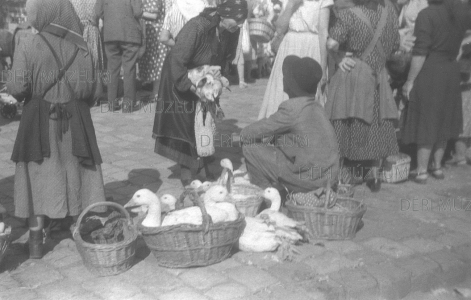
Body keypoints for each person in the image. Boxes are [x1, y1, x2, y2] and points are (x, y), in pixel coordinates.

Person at [7, 0, 106, 259]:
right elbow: (93, 91)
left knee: (38, 175)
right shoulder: (83, 48)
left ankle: (36, 244)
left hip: (38, 120)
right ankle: (79, 226)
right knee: (74, 170)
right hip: (76, 120)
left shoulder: (28, 44)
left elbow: (17, 88)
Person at [152, 0, 247, 186]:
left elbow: (226, 57)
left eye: (242, 20)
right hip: (179, 74)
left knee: (204, 121)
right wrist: (190, 85)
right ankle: (187, 170)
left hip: (206, 78)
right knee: (185, 123)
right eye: (237, 20)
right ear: (224, 15)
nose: (240, 24)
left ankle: (203, 162)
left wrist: (219, 77)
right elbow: (178, 58)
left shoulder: (231, 30)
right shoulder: (197, 27)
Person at [325, 0, 400, 192]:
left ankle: (344, 176)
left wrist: (339, 56)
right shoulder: (390, 13)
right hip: (379, 75)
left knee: (344, 123)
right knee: (376, 122)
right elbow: (395, 47)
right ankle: (374, 175)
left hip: (355, 72)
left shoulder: (349, 14)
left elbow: (332, 43)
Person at [241, 56, 339, 193]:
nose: (283, 79)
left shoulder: (292, 109)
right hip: (328, 177)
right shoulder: (316, 106)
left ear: (291, 84)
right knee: (279, 141)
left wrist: (236, 138)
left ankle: (267, 197)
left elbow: (248, 134)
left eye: (286, 77)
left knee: (250, 147)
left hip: (310, 180)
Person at [402, 0, 471, 183]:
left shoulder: (426, 15)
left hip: (431, 69)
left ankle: (422, 171)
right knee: (443, 119)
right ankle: (437, 167)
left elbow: (420, 52)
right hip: (450, 70)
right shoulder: (460, 14)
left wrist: (409, 81)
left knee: (427, 120)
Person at [258, 0, 332, 119]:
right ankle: (278, 127)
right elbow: (280, 28)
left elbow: (323, 33)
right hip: (290, 46)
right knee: (283, 88)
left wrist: (323, 68)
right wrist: (292, 5)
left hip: (312, 46)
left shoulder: (323, 1)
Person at [95, 0, 143, 112]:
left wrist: (110, 15)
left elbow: (98, 12)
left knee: (112, 68)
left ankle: (112, 103)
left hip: (110, 33)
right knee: (129, 68)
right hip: (129, 33)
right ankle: (128, 104)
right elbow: (137, 12)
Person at [138, 0, 165, 96]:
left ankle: (156, 93)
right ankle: (153, 91)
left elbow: (154, 15)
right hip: (148, 32)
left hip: (156, 34)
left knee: (157, 63)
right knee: (150, 63)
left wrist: (139, 12)